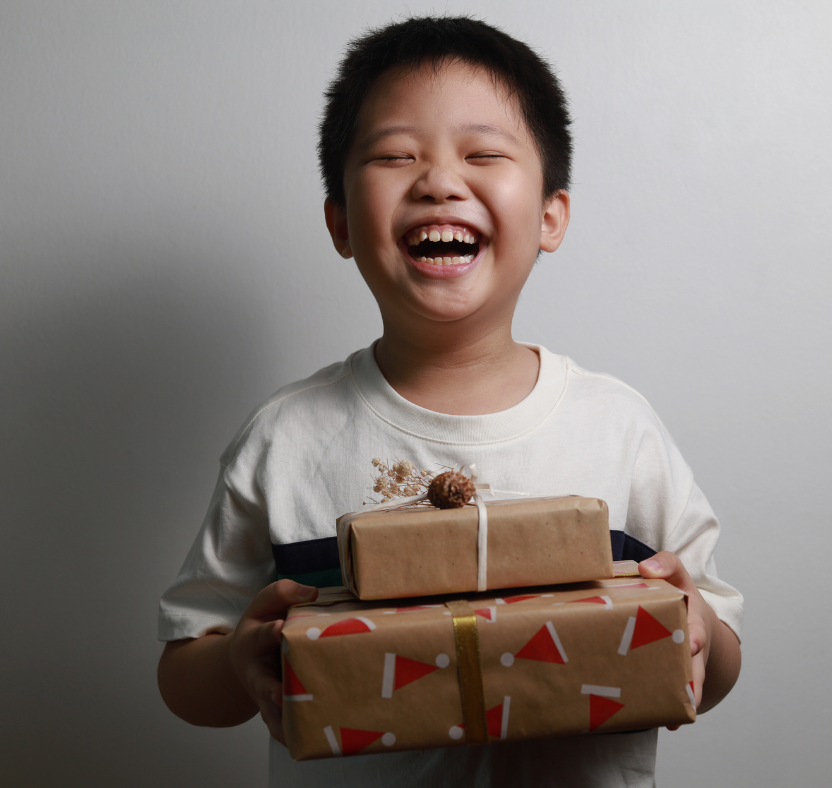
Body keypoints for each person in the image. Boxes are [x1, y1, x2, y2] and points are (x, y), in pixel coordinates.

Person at [157, 15, 742, 788]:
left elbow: (720, 646)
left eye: (484, 153)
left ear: (550, 217)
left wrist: (695, 626)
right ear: (339, 222)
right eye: (396, 156)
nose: (438, 179)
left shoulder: (617, 428)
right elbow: (185, 673)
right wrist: (240, 661)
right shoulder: (286, 440)